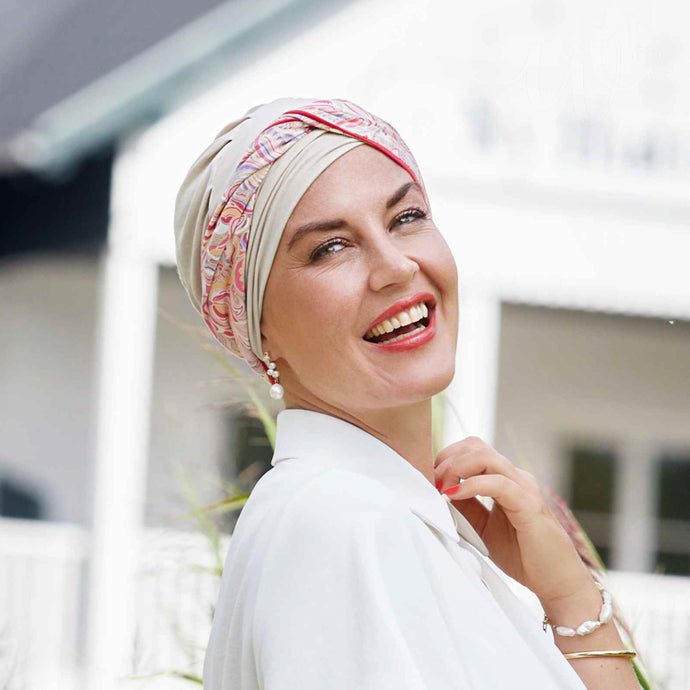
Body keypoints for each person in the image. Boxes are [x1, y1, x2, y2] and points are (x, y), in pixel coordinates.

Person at [173, 98, 640, 689]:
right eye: (331, 247)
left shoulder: (398, 523)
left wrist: (569, 595)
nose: (396, 266)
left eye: (406, 217)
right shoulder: (339, 522)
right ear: (257, 325)